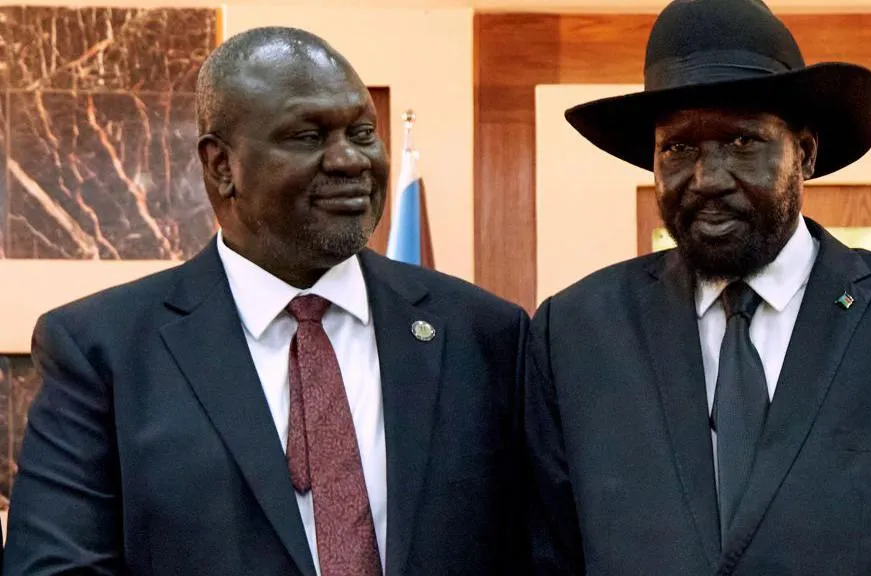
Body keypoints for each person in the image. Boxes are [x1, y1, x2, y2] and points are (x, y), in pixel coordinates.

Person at [3, 27, 528, 576]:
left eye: (363, 131)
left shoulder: (483, 334)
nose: (350, 160)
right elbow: (56, 567)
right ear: (221, 166)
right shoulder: (102, 350)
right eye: (307, 135)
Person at [525, 1, 871, 574]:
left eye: (743, 143)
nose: (708, 179)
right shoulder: (575, 335)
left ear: (804, 154)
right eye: (679, 148)